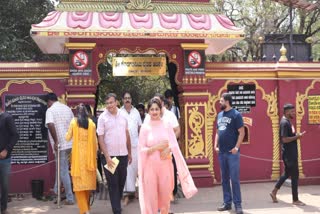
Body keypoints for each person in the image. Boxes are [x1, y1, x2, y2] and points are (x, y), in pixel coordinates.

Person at [138, 98, 197, 214]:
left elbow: (174, 144)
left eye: (156, 109)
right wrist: (156, 147)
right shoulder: (145, 128)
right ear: (148, 111)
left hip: (165, 167)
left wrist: (168, 148)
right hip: (150, 169)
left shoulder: (166, 125)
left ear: (161, 110)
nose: (154, 112)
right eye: (152, 109)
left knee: (165, 198)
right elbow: (141, 150)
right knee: (151, 199)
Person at [97, 93, 132, 214]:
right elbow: (100, 138)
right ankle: (117, 210)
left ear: (116, 102)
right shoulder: (102, 118)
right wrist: (107, 157)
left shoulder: (123, 115)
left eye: (111, 102)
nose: (109, 105)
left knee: (121, 181)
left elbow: (127, 135)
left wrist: (130, 153)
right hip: (109, 157)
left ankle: (117, 203)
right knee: (113, 183)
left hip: (123, 155)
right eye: (107, 103)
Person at [144, 93, 181, 203]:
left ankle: (171, 194)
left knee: (170, 174)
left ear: (162, 103)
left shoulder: (170, 116)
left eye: (158, 102)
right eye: (153, 107)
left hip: (167, 151)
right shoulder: (148, 117)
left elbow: (178, 130)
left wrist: (169, 145)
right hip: (153, 154)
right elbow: (145, 134)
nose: (155, 110)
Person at [269, 103, 306, 206]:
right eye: (292, 111)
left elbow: (289, 136)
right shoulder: (285, 123)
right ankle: (295, 199)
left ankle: (274, 192)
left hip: (290, 153)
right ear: (286, 112)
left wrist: (296, 135)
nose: (294, 113)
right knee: (295, 176)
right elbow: (284, 139)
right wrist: (297, 137)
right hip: (290, 154)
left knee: (286, 174)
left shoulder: (288, 122)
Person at [214, 92, 245, 214]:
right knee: (224, 179)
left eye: (221, 100)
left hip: (232, 153)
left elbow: (242, 132)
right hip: (221, 152)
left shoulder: (236, 114)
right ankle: (227, 203)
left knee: (234, 179)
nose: (219, 102)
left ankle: (238, 205)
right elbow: (217, 132)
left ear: (227, 101)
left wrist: (237, 147)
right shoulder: (220, 114)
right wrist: (215, 145)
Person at [65, 103, 97, 214]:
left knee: (79, 187)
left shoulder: (74, 122)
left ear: (77, 113)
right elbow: (95, 142)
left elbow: (67, 137)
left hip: (78, 158)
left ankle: (85, 210)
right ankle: (86, 209)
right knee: (87, 185)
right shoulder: (91, 124)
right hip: (89, 158)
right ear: (87, 112)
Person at [45, 93, 75, 205]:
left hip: (61, 145)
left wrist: (56, 140)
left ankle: (70, 198)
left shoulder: (50, 110)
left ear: (49, 101)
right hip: (70, 144)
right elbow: (73, 125)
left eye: (47, 103)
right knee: (61, 169)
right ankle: (57, 192)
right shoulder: (67, 108)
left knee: (63, 172)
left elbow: (50, 124)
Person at [120, 92, 142, 205]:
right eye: (125, 98)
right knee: (126, 170)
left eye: (129, 98)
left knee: (135, 169)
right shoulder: (119, 112)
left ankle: (134, 191)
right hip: (123, 146)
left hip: (136, 145)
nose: (127, 100)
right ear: (122, 100)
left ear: (131, 99)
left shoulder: (136, 112)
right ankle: (126, 195)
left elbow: (139, 127)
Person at [0, 99, 19, 214]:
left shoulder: (7, 118)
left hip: (4, 158)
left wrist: (6, 150)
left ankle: (4, 208)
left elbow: (15, 135)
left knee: (4, 185)